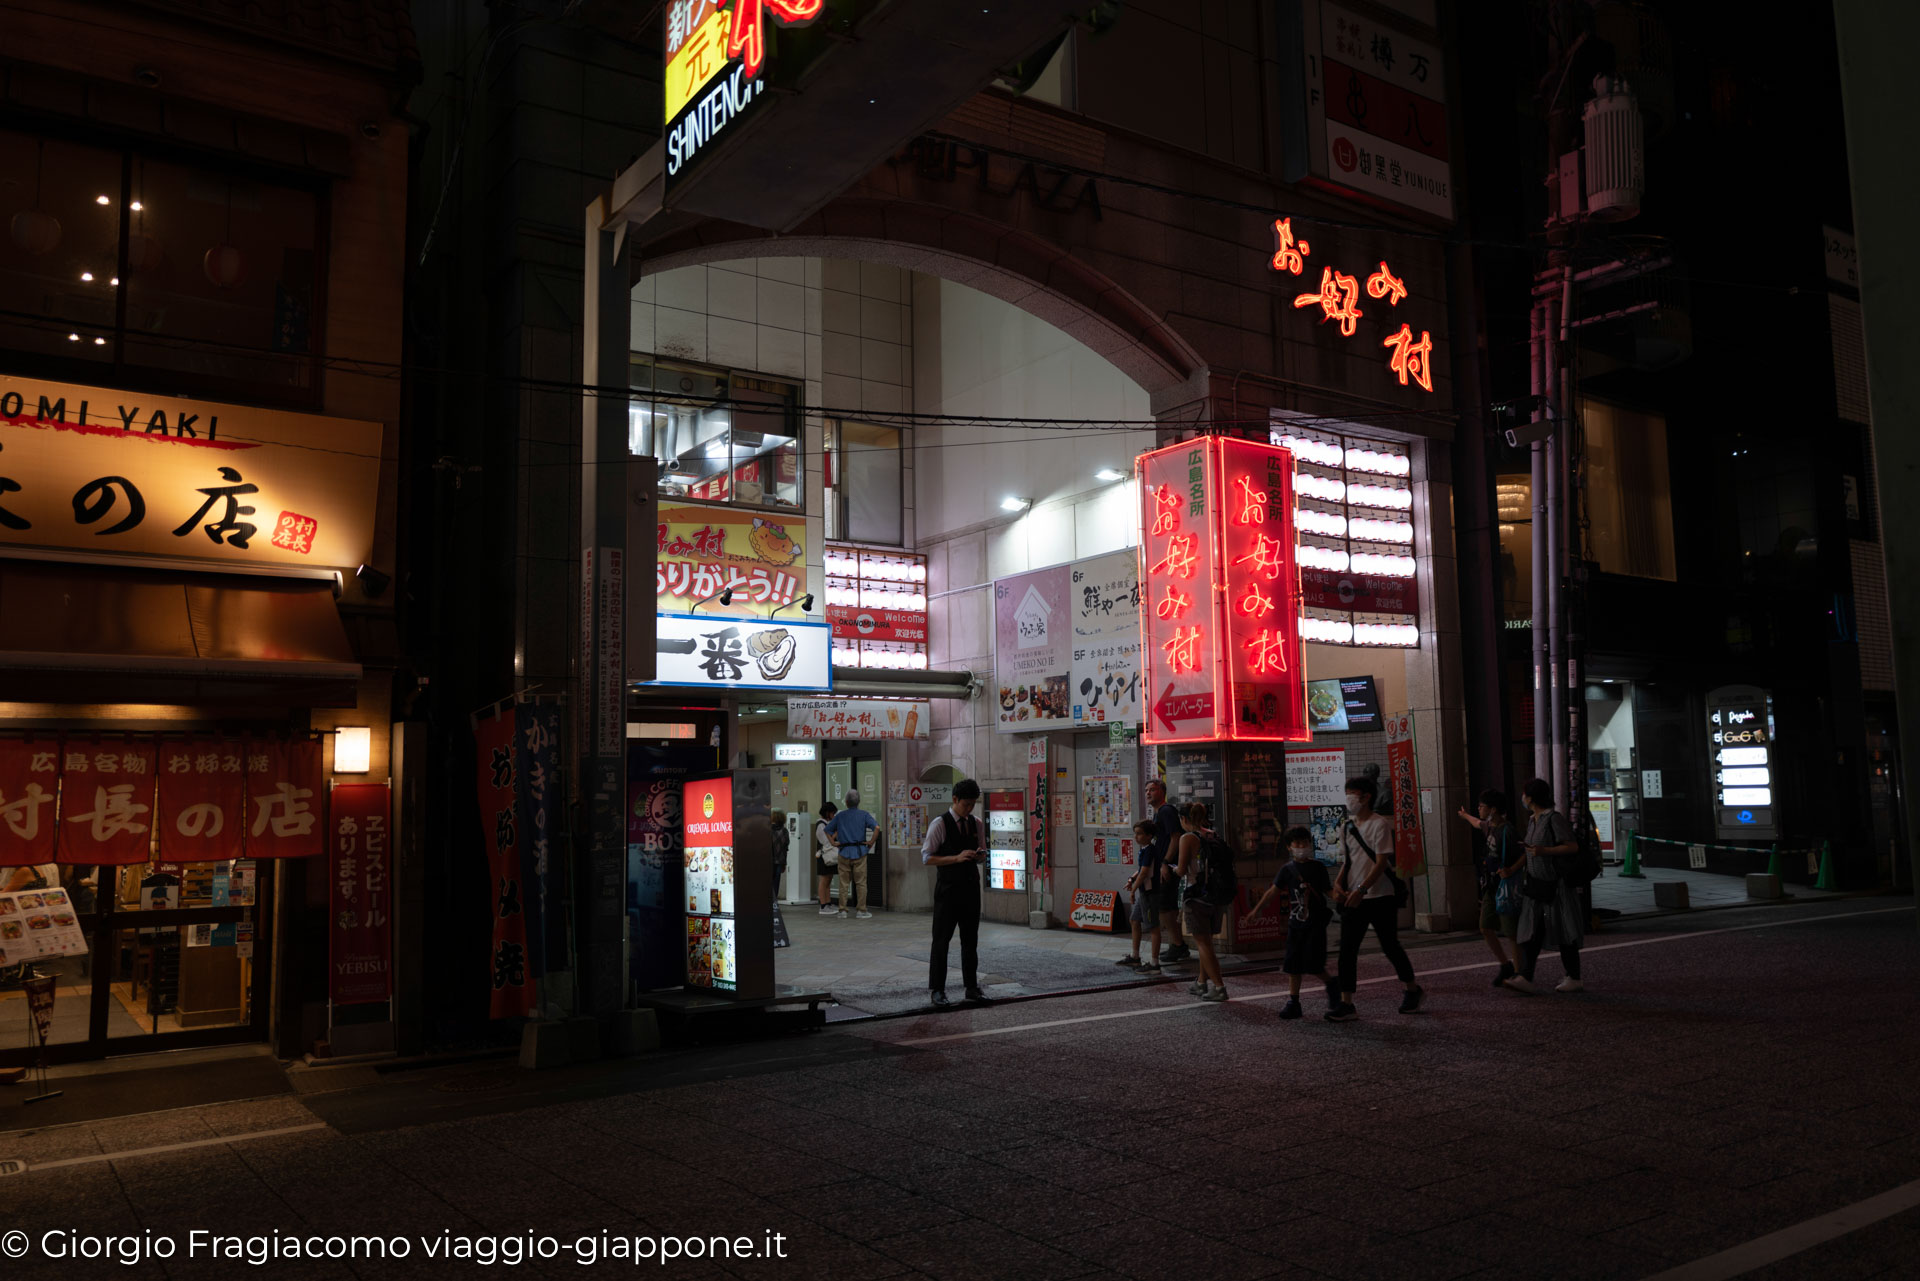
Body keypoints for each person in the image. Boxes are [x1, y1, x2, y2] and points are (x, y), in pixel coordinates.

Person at [1329, 776, 1423, 1021]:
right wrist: (1339, 883)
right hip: (1354, 896)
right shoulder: (1346, 826)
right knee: (1347, 950)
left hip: (1380, 897)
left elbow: (1381, 863)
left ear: (1366, 796)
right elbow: (1347, 862)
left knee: (1390, 945)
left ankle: (1412, 989)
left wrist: (1361, 890)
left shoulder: (1379, 824)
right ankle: (1346, 1003)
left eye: (1352, 793)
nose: (1348, 798)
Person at [1246, 826, 1340, 1020]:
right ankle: (1293, 1002)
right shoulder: (1287, 869)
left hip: (1315, 924)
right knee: (1293, 964)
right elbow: (1273, 891)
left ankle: (1331, 984)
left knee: (1314, 964)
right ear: (1289, 847)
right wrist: (1257, 910)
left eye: (1304, 843)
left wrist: (1339, 897)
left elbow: (1327, 890)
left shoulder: (1318, 867)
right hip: (1295, 924)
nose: (1301, 847)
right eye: (1297, 843)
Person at [1505, 778, 1586, 993]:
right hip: (1536, 885)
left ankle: (1573, 976)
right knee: (1532, 930)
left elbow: (1571, 846)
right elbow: (1530, 850)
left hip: (1555, 887)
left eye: (1524, 794)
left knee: (1564, 930)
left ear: (1530, 797)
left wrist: (1544, 851)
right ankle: (1525, 976)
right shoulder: (1533, 820)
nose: (1522, 798)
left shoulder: (1553, 819)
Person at [921, 779, 989, 1006]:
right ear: (954, 800)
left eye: (972, 805)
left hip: (970, 888)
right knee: (941, 941)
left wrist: (979, 856)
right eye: (966, 805)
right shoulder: (939, 824)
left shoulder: (976, 823)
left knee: (970, 941)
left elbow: (982, 851)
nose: (969, 809)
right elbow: (927, 857)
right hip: (948, 890)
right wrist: (956, 858)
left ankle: (971, 987)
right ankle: (937, 990)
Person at [1167, 802, 1232, 1002]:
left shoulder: (1188, 837)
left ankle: (1219, 987)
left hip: (1196, 896)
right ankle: (1201, 982)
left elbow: (1181, 869)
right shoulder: (1212, 834)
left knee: (1202, 943)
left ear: (1184, 819)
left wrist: (1171, 868)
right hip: (1217, 895)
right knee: (1207, 942)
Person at [1459, 789, 1525, 985]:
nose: (1478, 809)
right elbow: (1477, 823)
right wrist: (1464, 815)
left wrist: (1511, 870)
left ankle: (1519, 972)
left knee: (1511, 932)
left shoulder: (1507, 830)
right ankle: (1506, 965)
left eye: (1482, 806)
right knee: (1485, 926)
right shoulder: (1489, 827)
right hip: (1491, 886)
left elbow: (1525, 853)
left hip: (1505, 886)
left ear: (1493, 809)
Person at [1143, 779, 1190, 964]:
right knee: (1166, 906)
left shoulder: (1166, 811)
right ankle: (1177, 944)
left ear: (1162, 791)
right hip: (1161, 866)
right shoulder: (1158, 813)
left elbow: (1175, 837)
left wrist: (1165, 862)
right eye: (1146, 790)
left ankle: (1178, 945)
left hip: (1167, 867)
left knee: (1166, 906)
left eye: (1152, 790)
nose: (1148, 793)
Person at [1115, 820, 1165, 974]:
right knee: (1134, 920)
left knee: (1153, 927)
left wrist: (1132, 890)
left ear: (1149, 835)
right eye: (1135, 833)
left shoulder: (1150, 850)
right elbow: (1140, 870)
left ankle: (1155, 963)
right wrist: (1131, 879)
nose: (1136, 837)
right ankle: (1135, 956)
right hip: (1144, 892)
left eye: (1139, 834)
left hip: (1150, 893)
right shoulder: (1145, 849)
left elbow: (1144, 873)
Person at [827, 790, 877, 919]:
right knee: (861, 882)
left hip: (843, 852)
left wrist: (833, 842)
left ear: (846, 802)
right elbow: (876, 828)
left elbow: (827, 829)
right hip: (860, 852)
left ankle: (842, 910)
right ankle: (861, 910)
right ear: (858, 801)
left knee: (843, 883)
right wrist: (871, 842)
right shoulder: (864, 815)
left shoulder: (840, 815)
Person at [814, 802, 839, 914]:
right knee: (824, 880)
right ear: (827, 813)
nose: (834, 815)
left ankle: (828, 903)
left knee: (828, 880)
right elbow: (826, 841)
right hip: (824, 855)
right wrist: (836, 833)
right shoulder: (820, 824)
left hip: (828, 855)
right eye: (833, 813)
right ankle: (823, 906)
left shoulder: (827, 823)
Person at [770, 810, 790, 901]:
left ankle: (768, 902)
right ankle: (774, 902)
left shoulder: (768, 829)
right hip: (780, 860)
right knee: (776, 882)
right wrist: (784, 863)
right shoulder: (784, 831)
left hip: (768, 860)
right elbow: (785, 848)